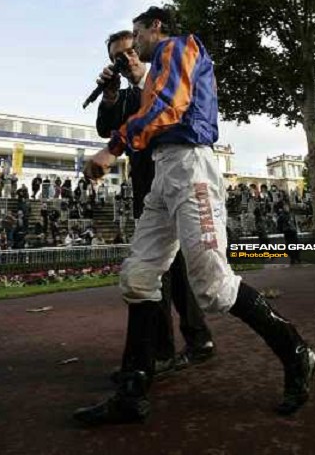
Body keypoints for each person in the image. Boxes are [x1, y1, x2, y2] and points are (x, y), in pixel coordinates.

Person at [73, 6, 315, 425]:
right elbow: (152, 105)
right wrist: (116, 98)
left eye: (137, 36)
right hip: (165, 173)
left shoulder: (180, 47)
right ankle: (132, 390)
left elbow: (168, 106)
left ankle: (296, 351)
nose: (134, 46)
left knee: (212, 287)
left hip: (191, 171)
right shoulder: (161, 68)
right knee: (139, 277)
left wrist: (112, 150)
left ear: (155, 27)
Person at [94, 27, 216, 382]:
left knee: (180, 271)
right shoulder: (128, 95)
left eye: (132, 51)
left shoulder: (166, 77)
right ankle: (189, 342)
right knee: (163, 271)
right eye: (118, 57)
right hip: (148, 191)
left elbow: (167, 111)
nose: (127, 58)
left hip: (180, 182)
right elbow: (105, 127)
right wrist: (112, 96)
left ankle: (168, 349)